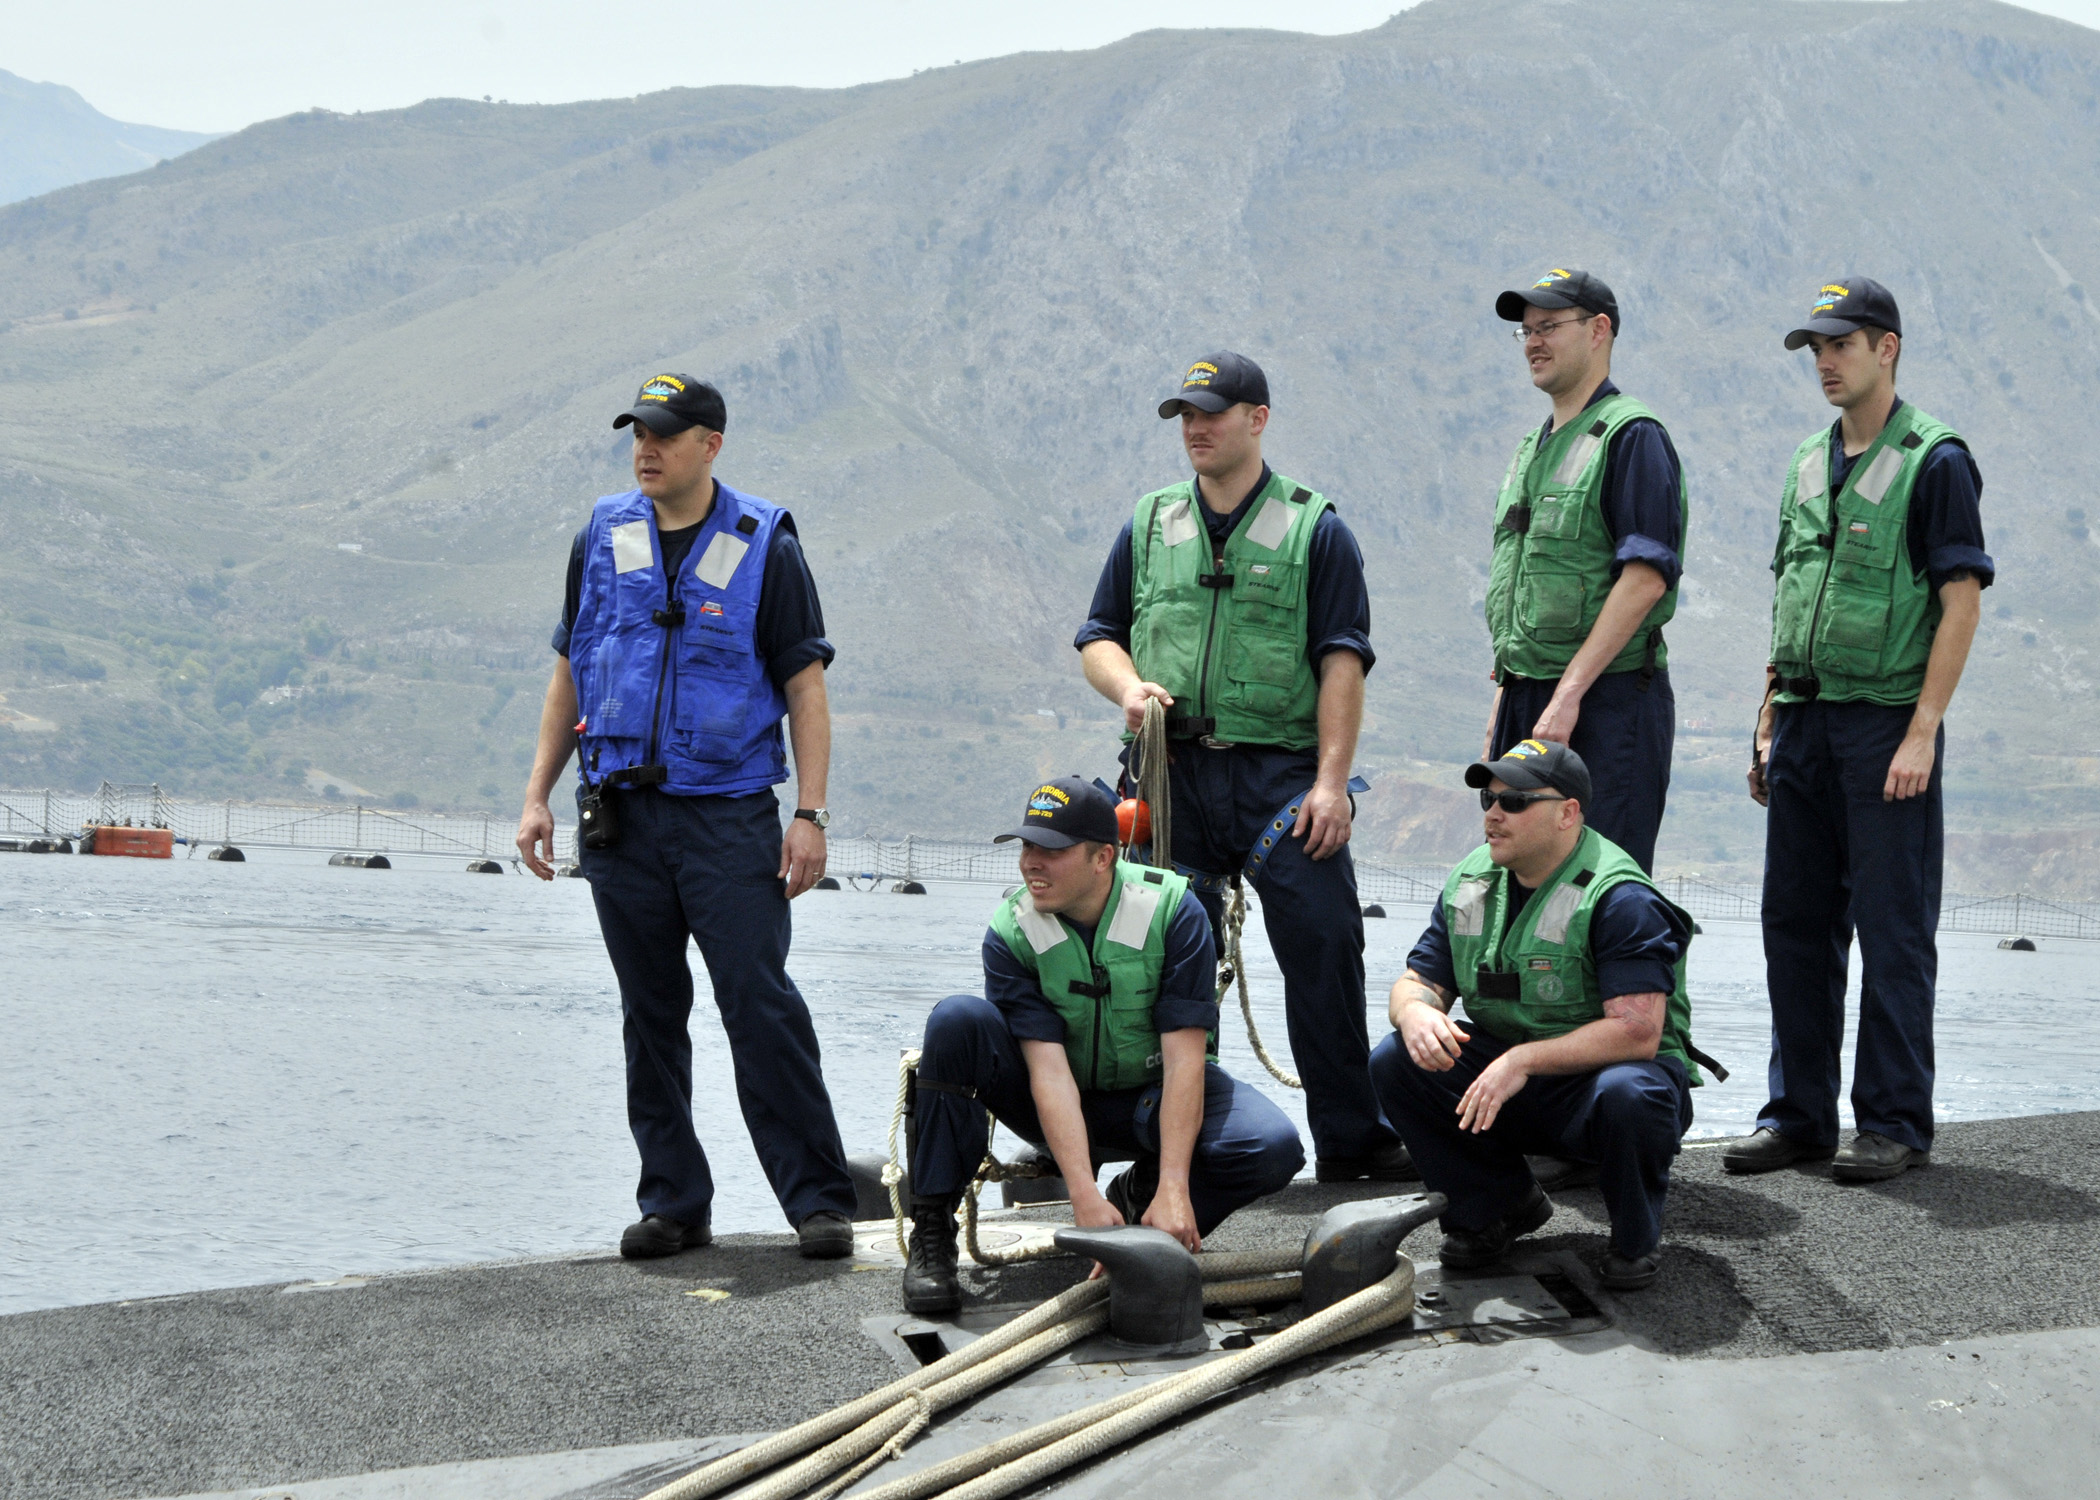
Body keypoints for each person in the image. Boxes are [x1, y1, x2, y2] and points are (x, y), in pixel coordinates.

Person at [515, 372, 858, 1260]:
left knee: (759, 1003)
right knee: (650, 1012)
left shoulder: (763, 544)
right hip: (622, 818)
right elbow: (570, 670)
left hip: (727, 818)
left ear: (711, 444)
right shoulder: (602, 535)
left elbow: (805, 687)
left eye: (666, 434)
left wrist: (810, 812)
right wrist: (535, 796)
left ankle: (818, 1202)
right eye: (638, 433)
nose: (646, 449)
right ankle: (674, 1201)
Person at [1075, 351, 1410, 1185]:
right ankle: (1165, 1143)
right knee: (1144, 960)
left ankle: (1349, 1140)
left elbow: (1343, 661)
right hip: (1168, 777)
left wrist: (1332, 786)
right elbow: (1097, 636)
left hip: (1280, 780)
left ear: (1257, 419)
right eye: (1186, 414)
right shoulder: (1149, 524)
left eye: (1213, 413)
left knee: (1326, 940)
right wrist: (1126, 687)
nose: (1196, 428)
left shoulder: (1315, 529)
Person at [1729, 279, 1992, 1184]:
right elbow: (1787, 596)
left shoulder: (1935, 460)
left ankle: (1891, 1123)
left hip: (1886, 725)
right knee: (1794, 925)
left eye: (1841, 345)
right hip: (1802, 718)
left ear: (1888, 349)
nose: (1825, 362)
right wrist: (1767, 718)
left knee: (1892, 929)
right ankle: (1798, 1118)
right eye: (1815, 349)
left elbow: (1961, 602)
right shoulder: (1807, 461)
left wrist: (1924, 730)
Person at [902, 776, 1305, 1314]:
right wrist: (1081, 1198)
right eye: (1025, 846)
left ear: (1103, 858)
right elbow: (1046, 1069)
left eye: (1051, 850)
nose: (1030, 863)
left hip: (1150, 1097)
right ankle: (932, 1235)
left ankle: (1143, 1208)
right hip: (1053, 1100)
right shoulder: (1012, 931)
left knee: (1271, 1145)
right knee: (956, 1021)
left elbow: (1187, 1061)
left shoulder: (1174, 914)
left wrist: (1174, 1186)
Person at [1370, 741, 1712, 1292]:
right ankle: (1496, 1210)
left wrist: (1522, 1060)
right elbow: (1417, 983)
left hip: (1600, 1083)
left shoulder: (1621, 898)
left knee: (1633, 1094)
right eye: (1489, 798)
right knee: (1397, 1059)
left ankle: (1634, 1240)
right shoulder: (1470, 882)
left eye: (1517, 801)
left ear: (1567, 814)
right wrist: (1412, 1014)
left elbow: (1639, 1031)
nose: (1494, 814)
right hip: (1515, 1076)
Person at [1484, 269, 1688, 876]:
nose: (1532, 342)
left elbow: (1647, 576)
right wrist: (1505, 705)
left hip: (1608, 703)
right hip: (1527, 700)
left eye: (1549, 327)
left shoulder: (1632, 437)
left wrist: (1567, 697)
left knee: (1596, 886)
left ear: (1600, 331)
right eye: (1526, 330)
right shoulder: (1531, 448)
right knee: (1513, 881)